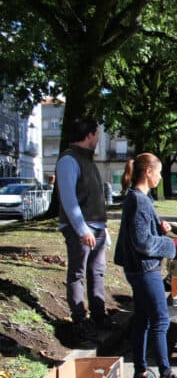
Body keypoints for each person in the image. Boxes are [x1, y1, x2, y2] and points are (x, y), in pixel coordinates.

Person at [114, 153, 177, 378]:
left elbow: (142, 234)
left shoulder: (137, 198)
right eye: (158, 172)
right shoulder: (139, 201)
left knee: (143, 319)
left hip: (138, 268)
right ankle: (166, 375)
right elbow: (143, 243)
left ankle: (141, 372)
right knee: (160, 320)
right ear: (148, 172)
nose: (160, 177)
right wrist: (170, 245)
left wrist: (160, 229)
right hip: (145, 269)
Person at [55, 116, 110, 346]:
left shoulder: (88, 160)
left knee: (97, 271)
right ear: (89, 135)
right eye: (97, 134)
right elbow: (69, 199)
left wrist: (103, 230)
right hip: (81, 229)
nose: (98, 139)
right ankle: (80, 319)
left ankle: (99, 315)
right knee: (77, 273)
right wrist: (81, 229)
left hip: (97, 227)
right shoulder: (69, 160)